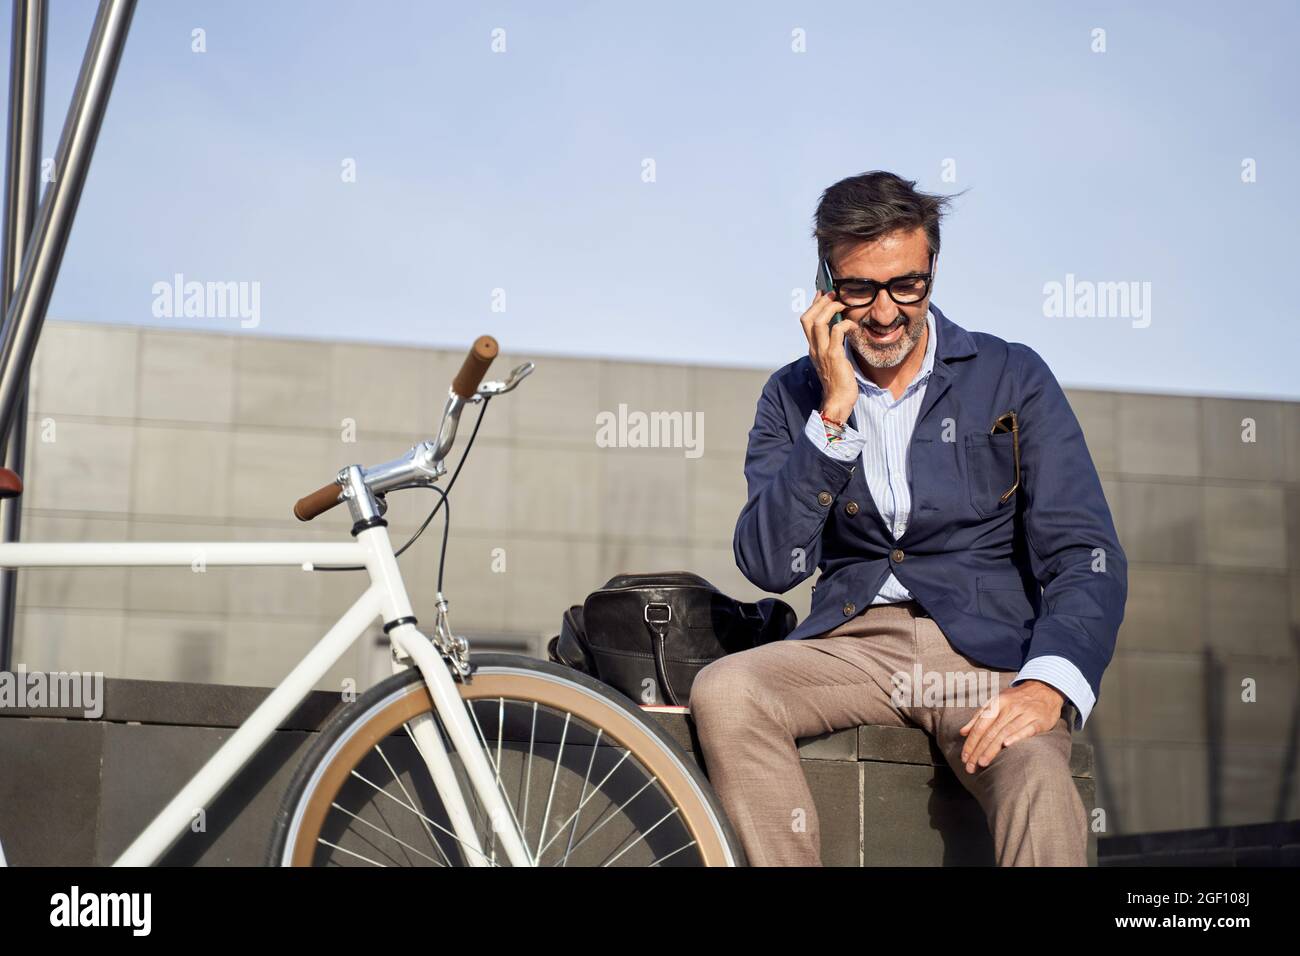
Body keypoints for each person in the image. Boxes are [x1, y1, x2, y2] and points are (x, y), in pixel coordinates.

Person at [689, 170, 1127, 866]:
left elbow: (1084, 554)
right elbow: (771, 563)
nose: (886, 313)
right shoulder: (793, 395)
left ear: (932, 270)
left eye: (907, 285)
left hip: (985, 655)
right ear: (827, 283)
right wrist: (831, 420)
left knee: (1039, 779)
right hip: (853, 645)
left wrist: (1051, 682)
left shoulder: (1012, 376)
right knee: (725, 689)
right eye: (860, 289)